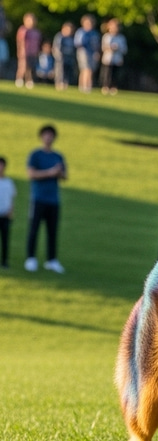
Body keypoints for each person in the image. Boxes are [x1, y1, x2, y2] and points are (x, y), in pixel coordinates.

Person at [25, 124, 67, 274]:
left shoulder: (58, 156)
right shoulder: (36, 155)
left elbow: (64, 176)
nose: (48, 137)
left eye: (51, 135)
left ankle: (52, 260)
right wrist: (50, 172)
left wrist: (59, 173)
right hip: (38, 198)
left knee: (52, 231)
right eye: (46, 134)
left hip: (53, 199)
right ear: (42, 136)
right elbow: (31, 174)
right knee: (34, 228)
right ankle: (30, 258)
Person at [74, 14, 100, 92]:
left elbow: (97, 45)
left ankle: (87, 85)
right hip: (83, 52)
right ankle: (84, 86)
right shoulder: (81, 32)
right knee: (85, 69)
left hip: (92, 54)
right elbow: (78, 43)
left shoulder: (94, 33)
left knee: (90, 70)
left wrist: (97, 53)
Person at [99, 19, 126, 94]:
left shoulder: (121, 38)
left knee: (115, 74)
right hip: (108, 58)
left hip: (117, 59)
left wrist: (117, 49)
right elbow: (103, 47)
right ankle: (105, 87)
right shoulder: (107, 36)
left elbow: (124, 49)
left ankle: (113, 87)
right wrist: (110, 48)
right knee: (107, 74)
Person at [15, 12, 41, 88]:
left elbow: (38, 43)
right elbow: (20, 41)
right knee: (23, 66)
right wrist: (20, 50)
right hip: (24, 52)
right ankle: (19, 79)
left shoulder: (36, 32)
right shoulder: (23, 30)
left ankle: (29, 80)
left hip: (33, 52)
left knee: (31, 67)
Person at [0, 156, 16, 269]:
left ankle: (5, 262)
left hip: (5, 215)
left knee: (5, 240)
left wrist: (11, 211)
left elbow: (11, 198)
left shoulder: (9, 182)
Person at [53, 21, 77, 89]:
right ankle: (59, 83)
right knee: (60, 71)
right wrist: (59, 55)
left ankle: (65, 83)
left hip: (69, 57)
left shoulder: (72, 38)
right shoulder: (60, 36)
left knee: (67, 71)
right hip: (61, 57)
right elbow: (57, 47)